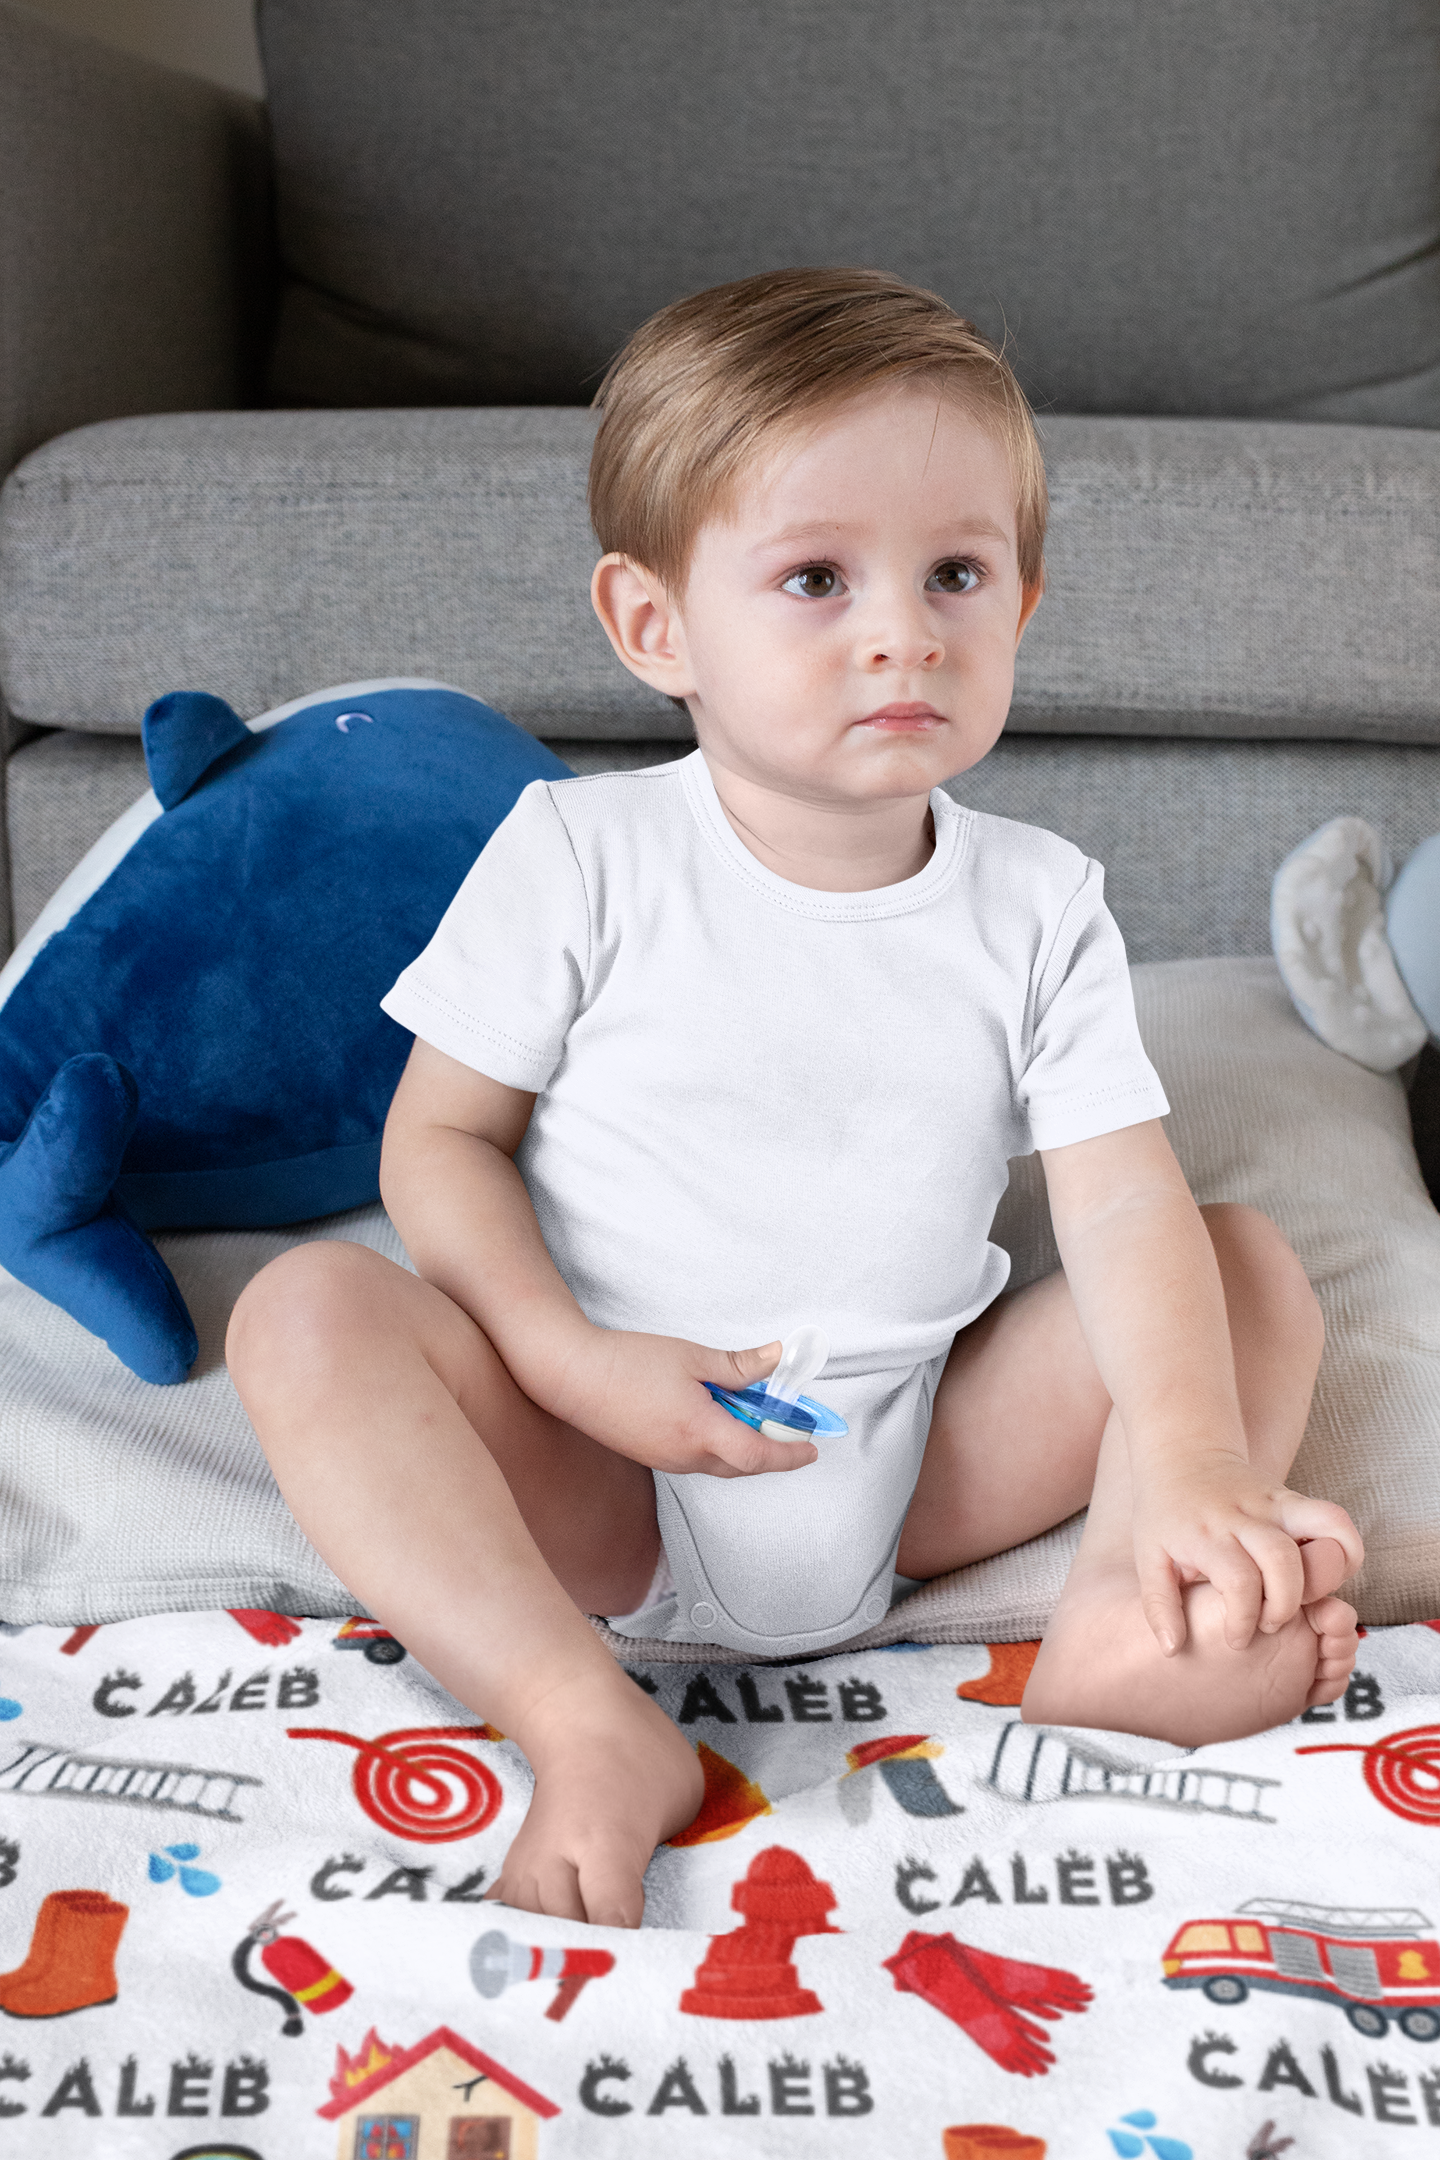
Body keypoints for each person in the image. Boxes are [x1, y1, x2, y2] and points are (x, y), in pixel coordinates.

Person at [227, 267, 1362, 1930]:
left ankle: (1128, 1614)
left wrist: (1191, 1460)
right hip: (605, 1471)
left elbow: (1117, 1202)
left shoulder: (1040, 902)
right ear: (653, 625)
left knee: (1236, 1259)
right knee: (307, 1311)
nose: (903, 628)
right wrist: (574, 1365)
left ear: (1025, 607)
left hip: (913, 1466)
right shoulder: (581, 857)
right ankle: (579, 1718)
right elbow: (442, 1141)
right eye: (818, 578)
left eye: (956, 573)